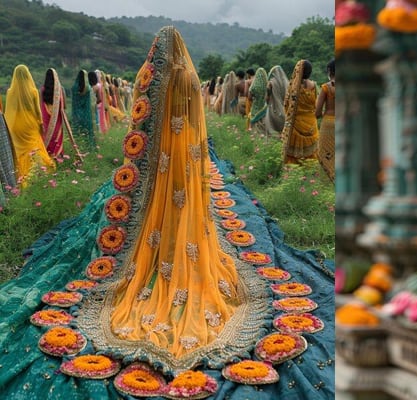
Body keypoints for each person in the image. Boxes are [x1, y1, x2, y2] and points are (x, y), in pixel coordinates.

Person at [0, 26, 333, 400]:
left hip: (158, 166)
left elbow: (138, 130)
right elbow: (193, 125)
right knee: (187, 212)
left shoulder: (151, 77)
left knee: (153, 217)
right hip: (189, 163)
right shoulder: (190, 78)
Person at [4, 65, 55, 187]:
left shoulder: (10, 92)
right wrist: (41, 124)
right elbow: (37, 111)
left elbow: (9, 110)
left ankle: (20, 175)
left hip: (16, 124)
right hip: (30, 123)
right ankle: (36, 174)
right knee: (33, 147)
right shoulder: (33, 91)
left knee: (19, 151)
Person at [282, 60, 319, 164]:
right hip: (311, 124)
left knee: (293, 158)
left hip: (295, 124)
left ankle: (294, 174)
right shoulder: (314, 86)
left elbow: (287, 105)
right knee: (311, 156)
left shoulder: (293, 87)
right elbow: (316, 105)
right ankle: (311, 174)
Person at [39, 68, 67, 158]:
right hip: (57, 119)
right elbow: (64, 106)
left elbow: (40, 105)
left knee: (47, 137)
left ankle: (47, 156)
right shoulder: (60, 90)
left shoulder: (42, 90)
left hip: (46, 117)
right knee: (56, 137)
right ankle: (58, 156)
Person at [315, 59, 335, 181]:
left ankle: (328, 179)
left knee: (324, 152)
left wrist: (320, 115)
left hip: (328, 122)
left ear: (329, 71)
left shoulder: (326, 87)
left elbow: (317, 112)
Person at [71, 69, 97, 147]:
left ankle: (77, 145)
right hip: (86, 112)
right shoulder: (88, 88)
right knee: (87, 131)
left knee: (77, 130)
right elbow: (91, 102)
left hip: (76, 112)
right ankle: (88, 146)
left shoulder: (74, 87)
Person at [266, 65, 288, 134]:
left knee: (273, 128)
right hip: (284, 109)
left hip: (274, 108)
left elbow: (267, 97)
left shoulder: (271, 83)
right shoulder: (286, 83)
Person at [248, 68, 269, 135]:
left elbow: (249, 97)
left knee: (255, 121)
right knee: (263, 121)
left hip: (256, 105)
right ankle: (263, 134)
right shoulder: (267, 85)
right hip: (264, 106)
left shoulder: (254, 86)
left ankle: (255, 134)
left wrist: (255, 98)